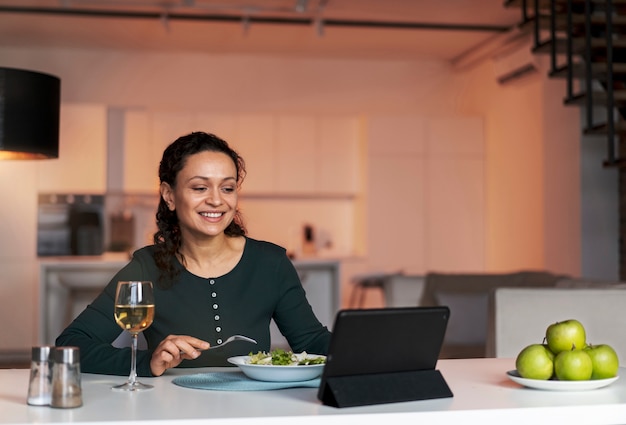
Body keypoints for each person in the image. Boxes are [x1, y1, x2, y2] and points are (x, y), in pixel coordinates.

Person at [56, 131, 331, 377]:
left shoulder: (270, 263)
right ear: (169, 195)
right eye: (200, 187)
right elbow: (72, 343)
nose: (216, 200)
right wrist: (146, 362)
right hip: (172, 411)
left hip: (252, 411)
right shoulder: (146, 267)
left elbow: (312, 343)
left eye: (227, 187)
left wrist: (365, 348)